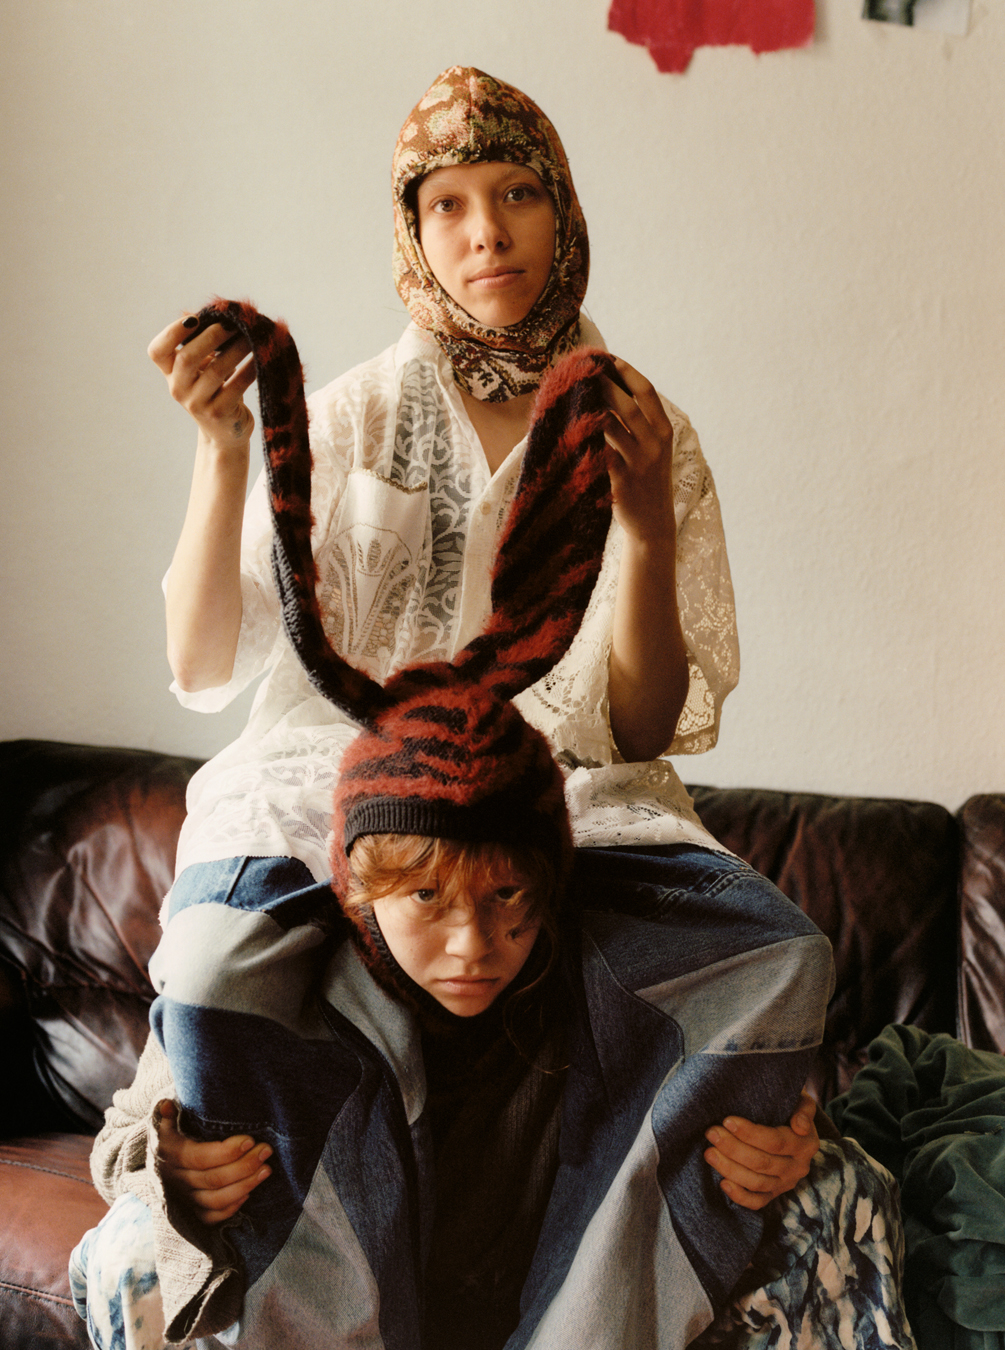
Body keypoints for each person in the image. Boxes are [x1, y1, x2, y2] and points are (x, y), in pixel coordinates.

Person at [70, 361, 912, 1346]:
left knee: (836, 1204)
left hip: (569, 1293)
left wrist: (793, 1145)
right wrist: (161, 1166)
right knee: (131, 1249)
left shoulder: (615, 964)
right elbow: (133, 1117)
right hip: (361, 1295)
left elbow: (757, 1079)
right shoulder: (274, 980)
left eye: (508, 896)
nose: (474, 940)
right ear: (359, 896)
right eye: (427, 899)